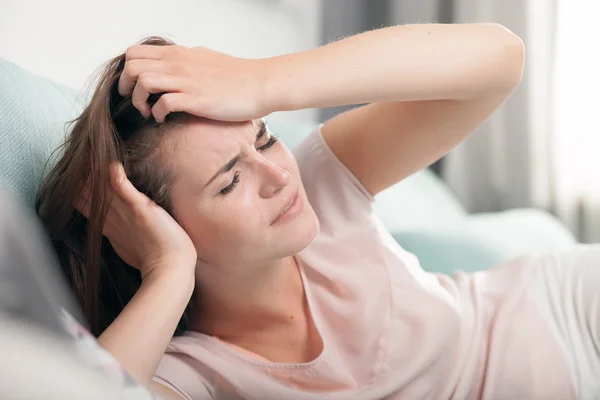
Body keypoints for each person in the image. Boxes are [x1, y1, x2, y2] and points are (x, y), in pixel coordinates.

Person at [35, 23, 597, 399]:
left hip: (570, 311)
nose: (279, 177)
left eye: (263, 139)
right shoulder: (191, 372)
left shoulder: (321, 186)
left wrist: (260, 84)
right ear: (158, 227)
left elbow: (499, 58)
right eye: (230, 182)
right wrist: (169, 271)